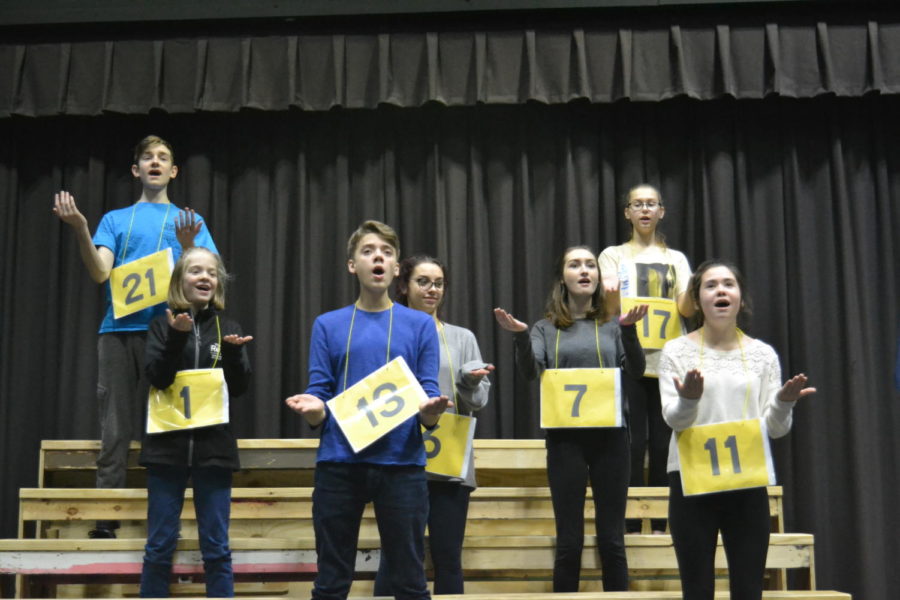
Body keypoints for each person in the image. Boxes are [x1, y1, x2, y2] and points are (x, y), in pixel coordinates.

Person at [53, 135, 218, 538]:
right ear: (136, 169)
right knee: (115, 429)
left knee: (169, 428)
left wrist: (188, 245)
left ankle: (169, 521)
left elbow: (207, 276)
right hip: (118, 334)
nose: (155, 163)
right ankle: (106, 519)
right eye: (147, 158)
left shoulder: (187, 221)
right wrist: (81, 228)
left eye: (163, 158)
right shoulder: (115, 219)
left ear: (174, 171)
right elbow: (99, 272)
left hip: (170, 334)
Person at [285, 221, 451, 600]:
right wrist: (314, 410)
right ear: (352, 265)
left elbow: (427, 395)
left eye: (387, 252)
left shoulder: (421, 325)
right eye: (368, 251)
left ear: (395, 270)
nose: (378, 256)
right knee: (331, 582)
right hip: (339, 464)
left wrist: (430, 411)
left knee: (410, 581)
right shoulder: (327, 325)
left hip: (403, 465)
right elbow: (320, 395)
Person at [494, 246, 647, 592]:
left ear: (598, 277)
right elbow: (529, 373)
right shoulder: (544, 328)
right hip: (566, 440)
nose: (584, 270)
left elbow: (636, 371)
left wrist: (629, 330)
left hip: (612, 440)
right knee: (569, 541)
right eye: (574, 265)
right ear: (562, 277)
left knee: (612, 540)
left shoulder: (611, 326)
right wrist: (520, 337)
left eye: (590, 265)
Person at [658, 260, 815, 600]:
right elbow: (673, 419)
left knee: (748, 589)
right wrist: (689, 400)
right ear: (698, 300)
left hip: (745, 481)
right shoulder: (676, 351)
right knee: (696, 589)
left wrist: (784, 403)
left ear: (740, 299)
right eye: (711, 285)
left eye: (728, 284)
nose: (721, 291)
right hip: (691, 480)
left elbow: (776, 429)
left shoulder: (762, 355)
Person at [374, 255, 493, 595]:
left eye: (438, 283)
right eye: (423, 281)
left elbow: (479, 401)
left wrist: (469, 383)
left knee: (447, 556)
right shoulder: (386, 332)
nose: (432, 289)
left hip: (450, 462)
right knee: (394, 557)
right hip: (398, 460)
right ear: (403, 287)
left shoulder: (462, 337)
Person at [139, 247, 252, 597]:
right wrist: (176, 336)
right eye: (195, 271)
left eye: (212, 272)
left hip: (213, 450)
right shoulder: (161, 324)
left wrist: (233, 355)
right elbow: (157, 377)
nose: (205, 277)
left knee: (217, 549)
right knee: (158, 548)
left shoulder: (229, 327)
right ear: (179, 281)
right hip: (166, 450)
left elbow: (240, 387)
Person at [599, 183, 694, 534]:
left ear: (661, 212)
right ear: (627, 212)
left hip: (668, 361)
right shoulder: (612, 255)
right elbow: (608, 309)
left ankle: (659, 522)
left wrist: (695, 291)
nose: (644, 210)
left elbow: (686, 308)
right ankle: (628, 521)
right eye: (637, 204)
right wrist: (610, 296)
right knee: (632, 443)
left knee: (663, 443)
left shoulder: (676, 259)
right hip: (630, 359)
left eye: (651, 204)